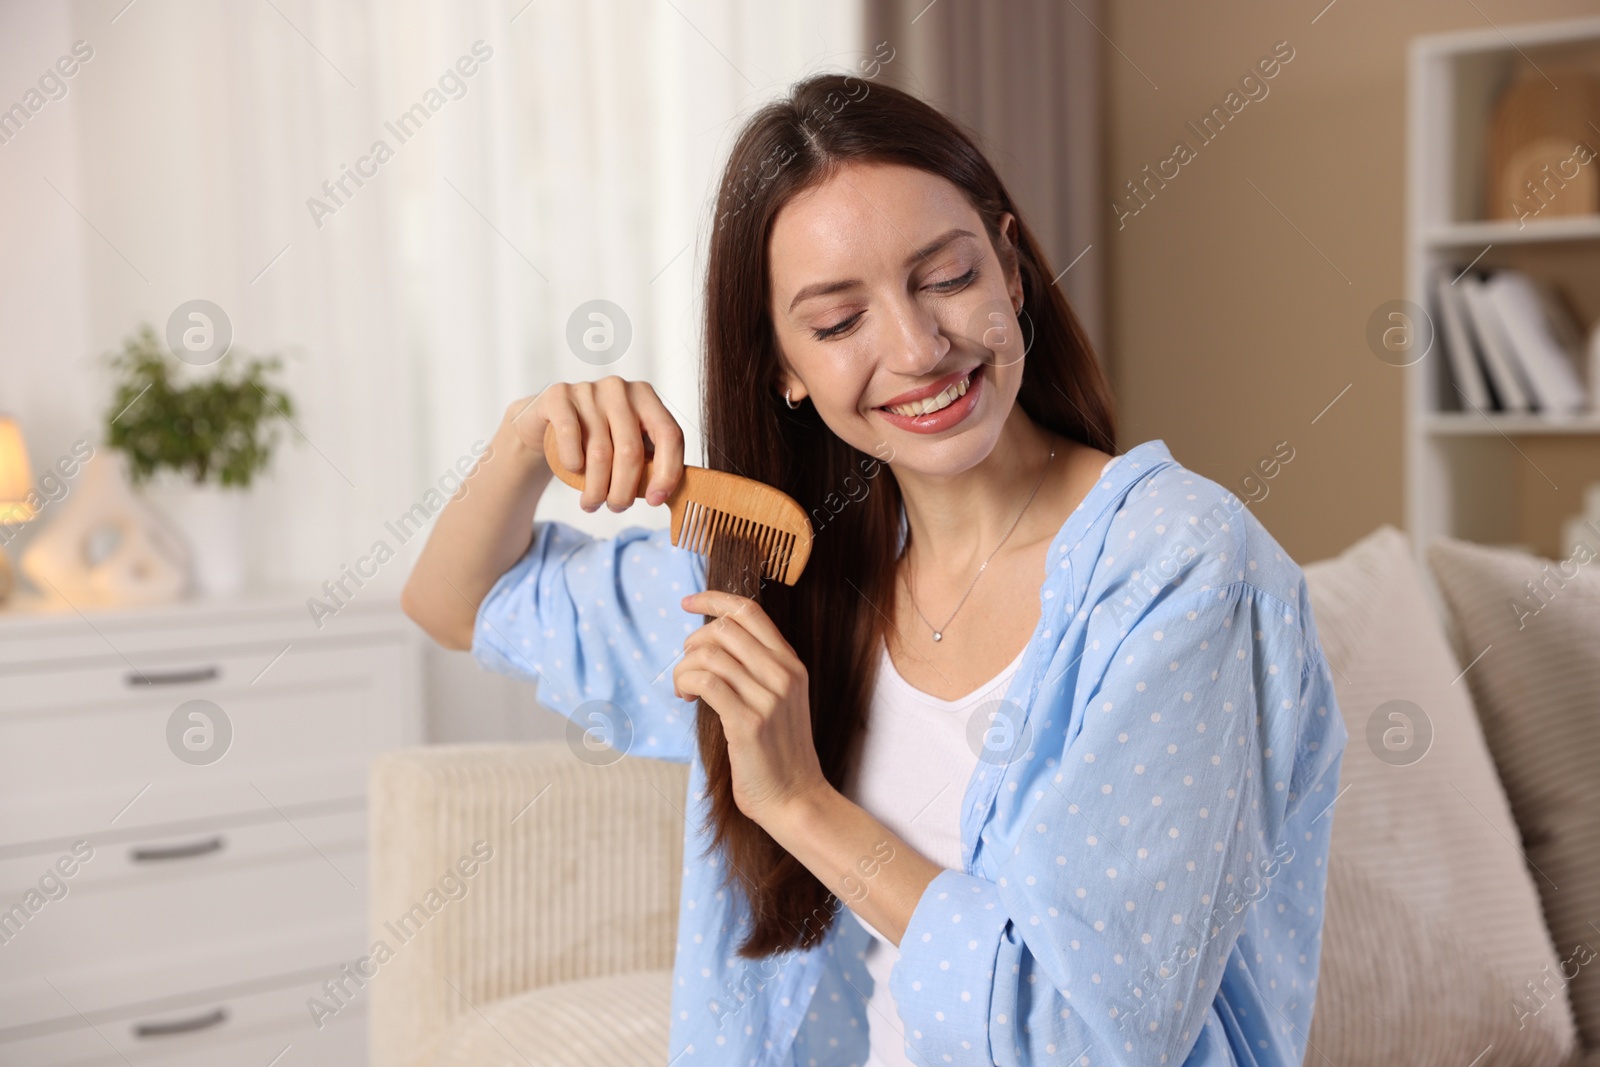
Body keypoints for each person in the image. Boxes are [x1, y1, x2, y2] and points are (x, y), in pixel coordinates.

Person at [402, 70, 1347, 1067]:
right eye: (838, 321)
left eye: (945, 277)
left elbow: (1084, 1037)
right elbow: (456, 601)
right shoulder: (775, 574)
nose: (916, 347)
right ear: (781, 367)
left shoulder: (1181, 568)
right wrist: (526, 437)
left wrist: (799, 801)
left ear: (1010, 271)